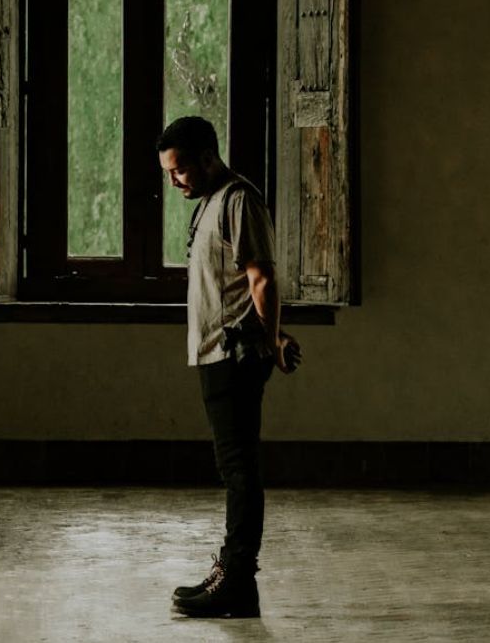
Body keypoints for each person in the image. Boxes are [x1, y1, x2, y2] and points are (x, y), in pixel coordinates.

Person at [156, 116, 301, 619]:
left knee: (241, 472)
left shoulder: (239, 200)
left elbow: (262, 279)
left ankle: (238, 580)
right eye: (169, 173)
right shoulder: (212, 204)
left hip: (234, 355)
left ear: (207, 158)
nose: (174, 182)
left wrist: (270, 337)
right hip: (215, 353)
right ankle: (233, 573)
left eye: (179, 171)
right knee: (233, 469)